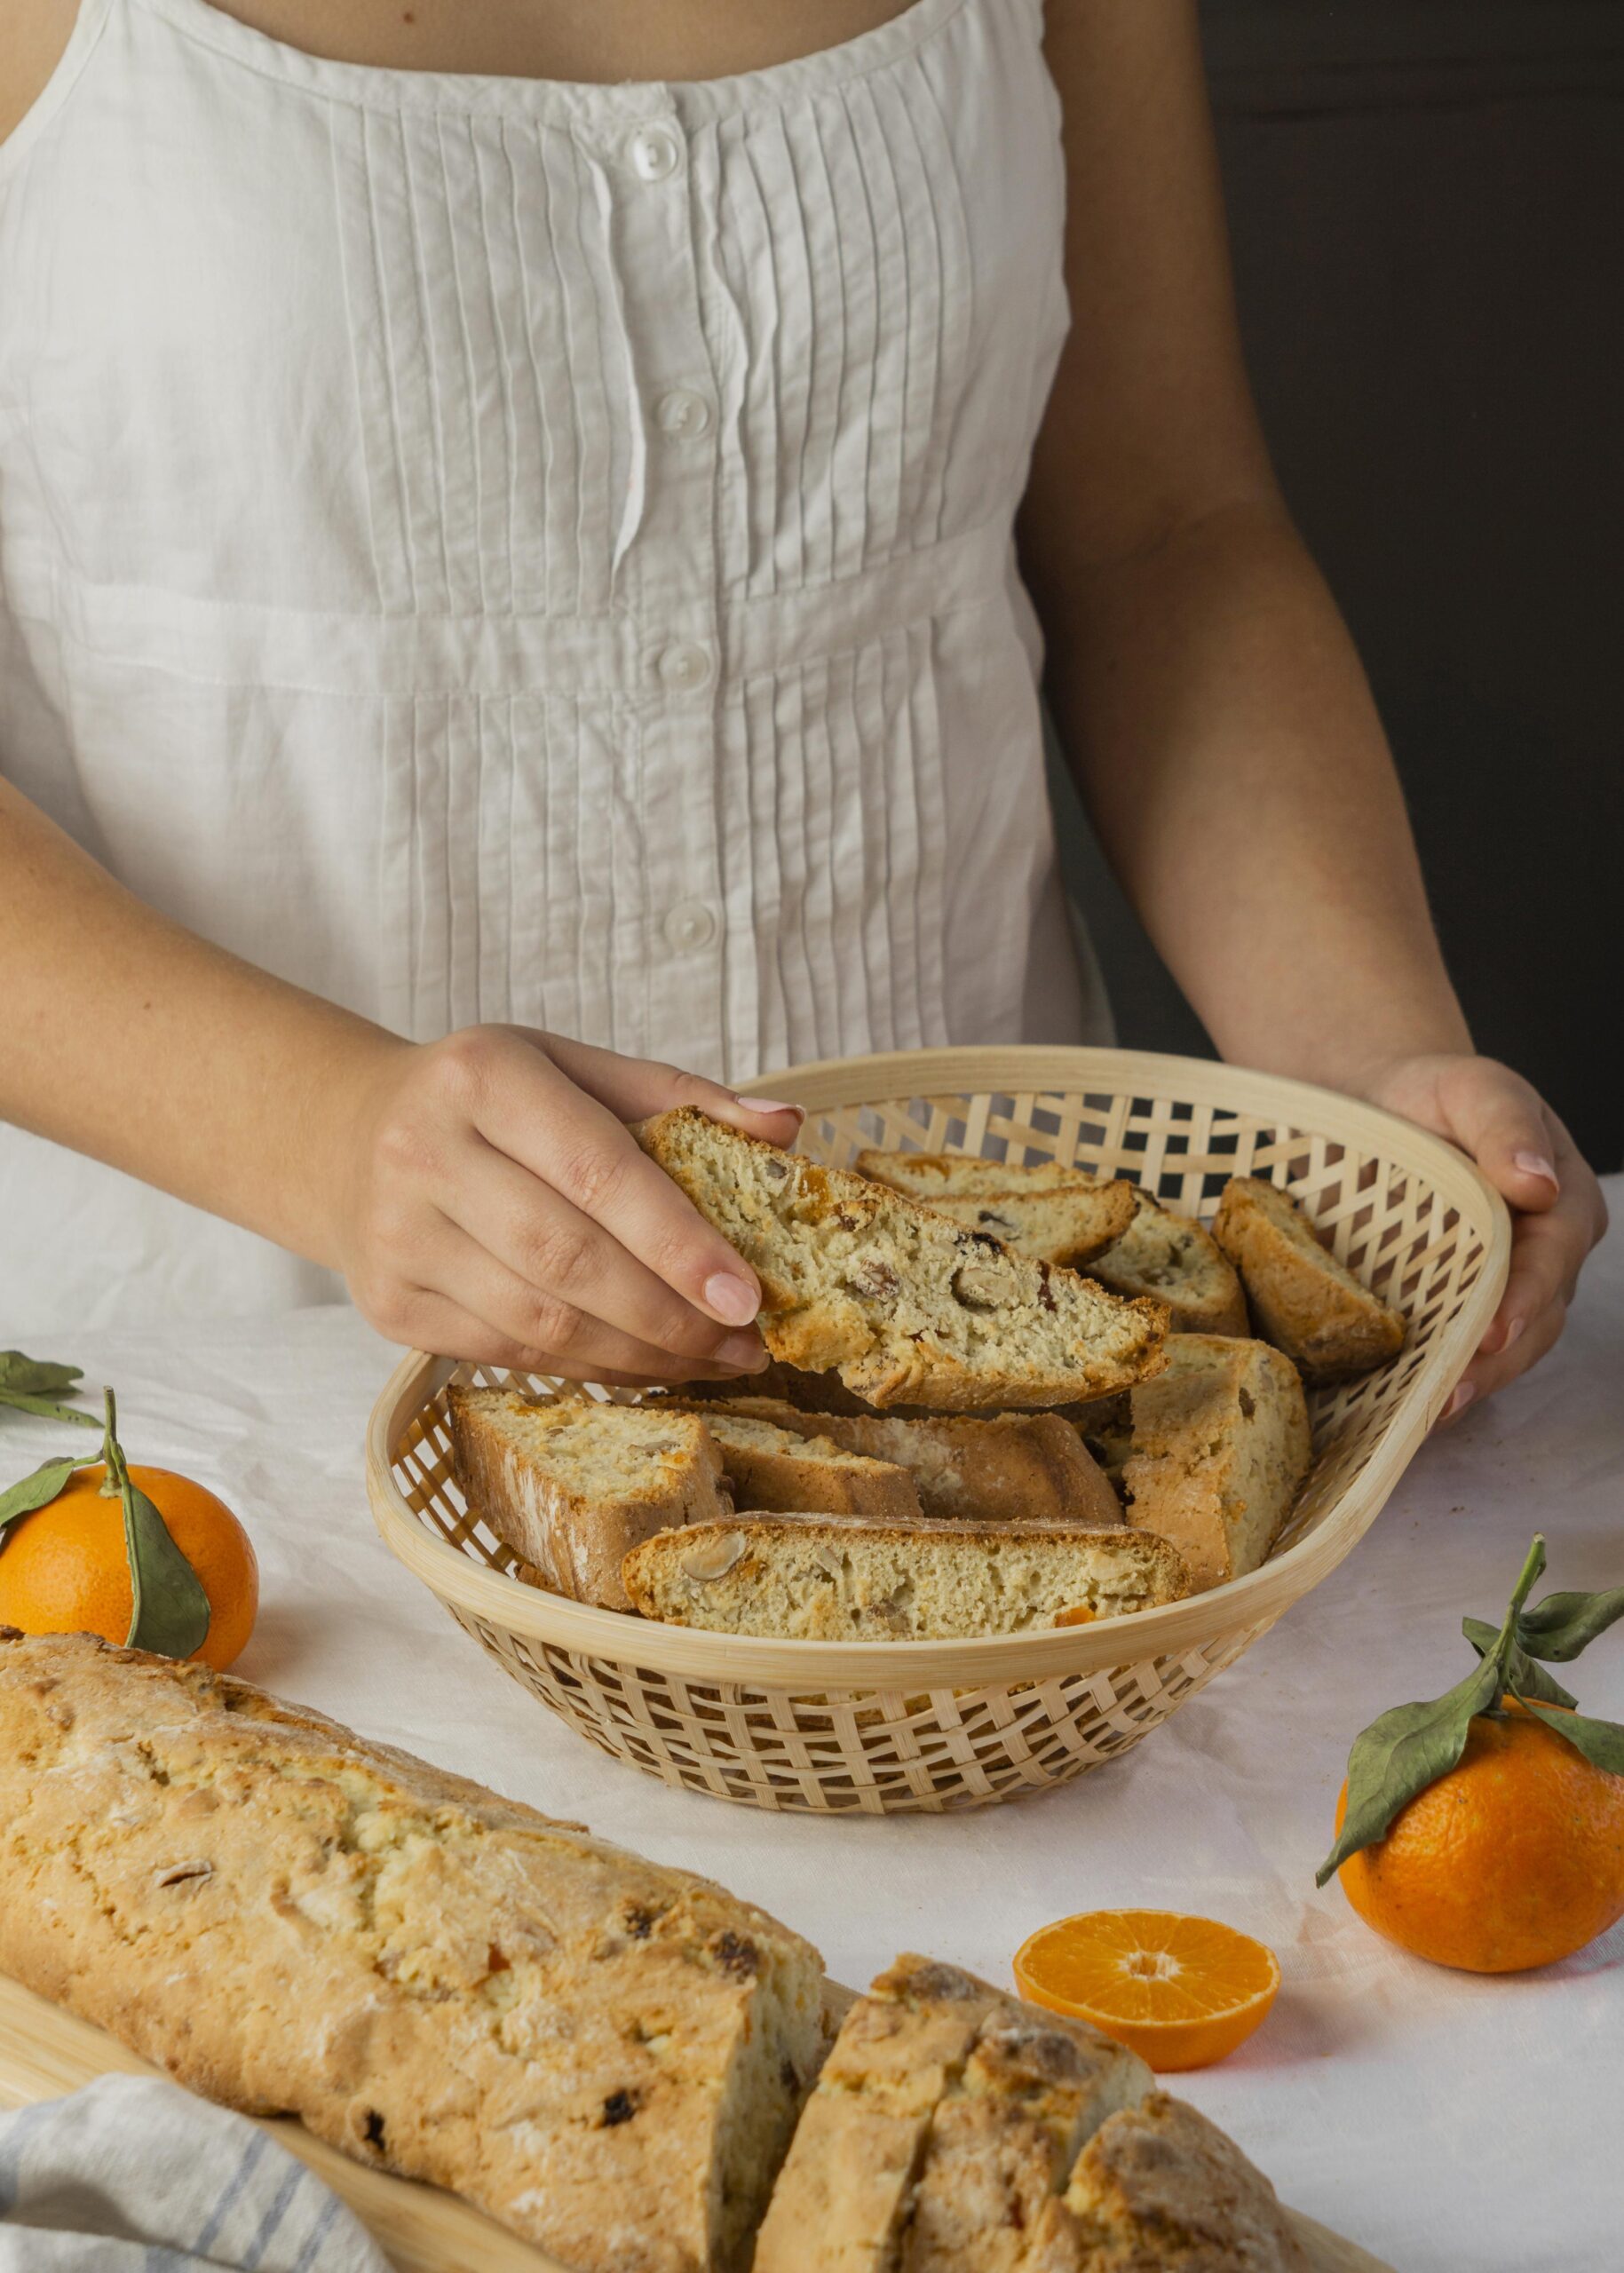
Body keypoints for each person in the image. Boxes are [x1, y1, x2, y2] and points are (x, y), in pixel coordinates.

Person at [0, 0, 1604, 1406]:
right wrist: (330, 1137)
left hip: (1003, 1361)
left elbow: (1160, 528)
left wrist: (1359, 1083)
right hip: (227, 1381)